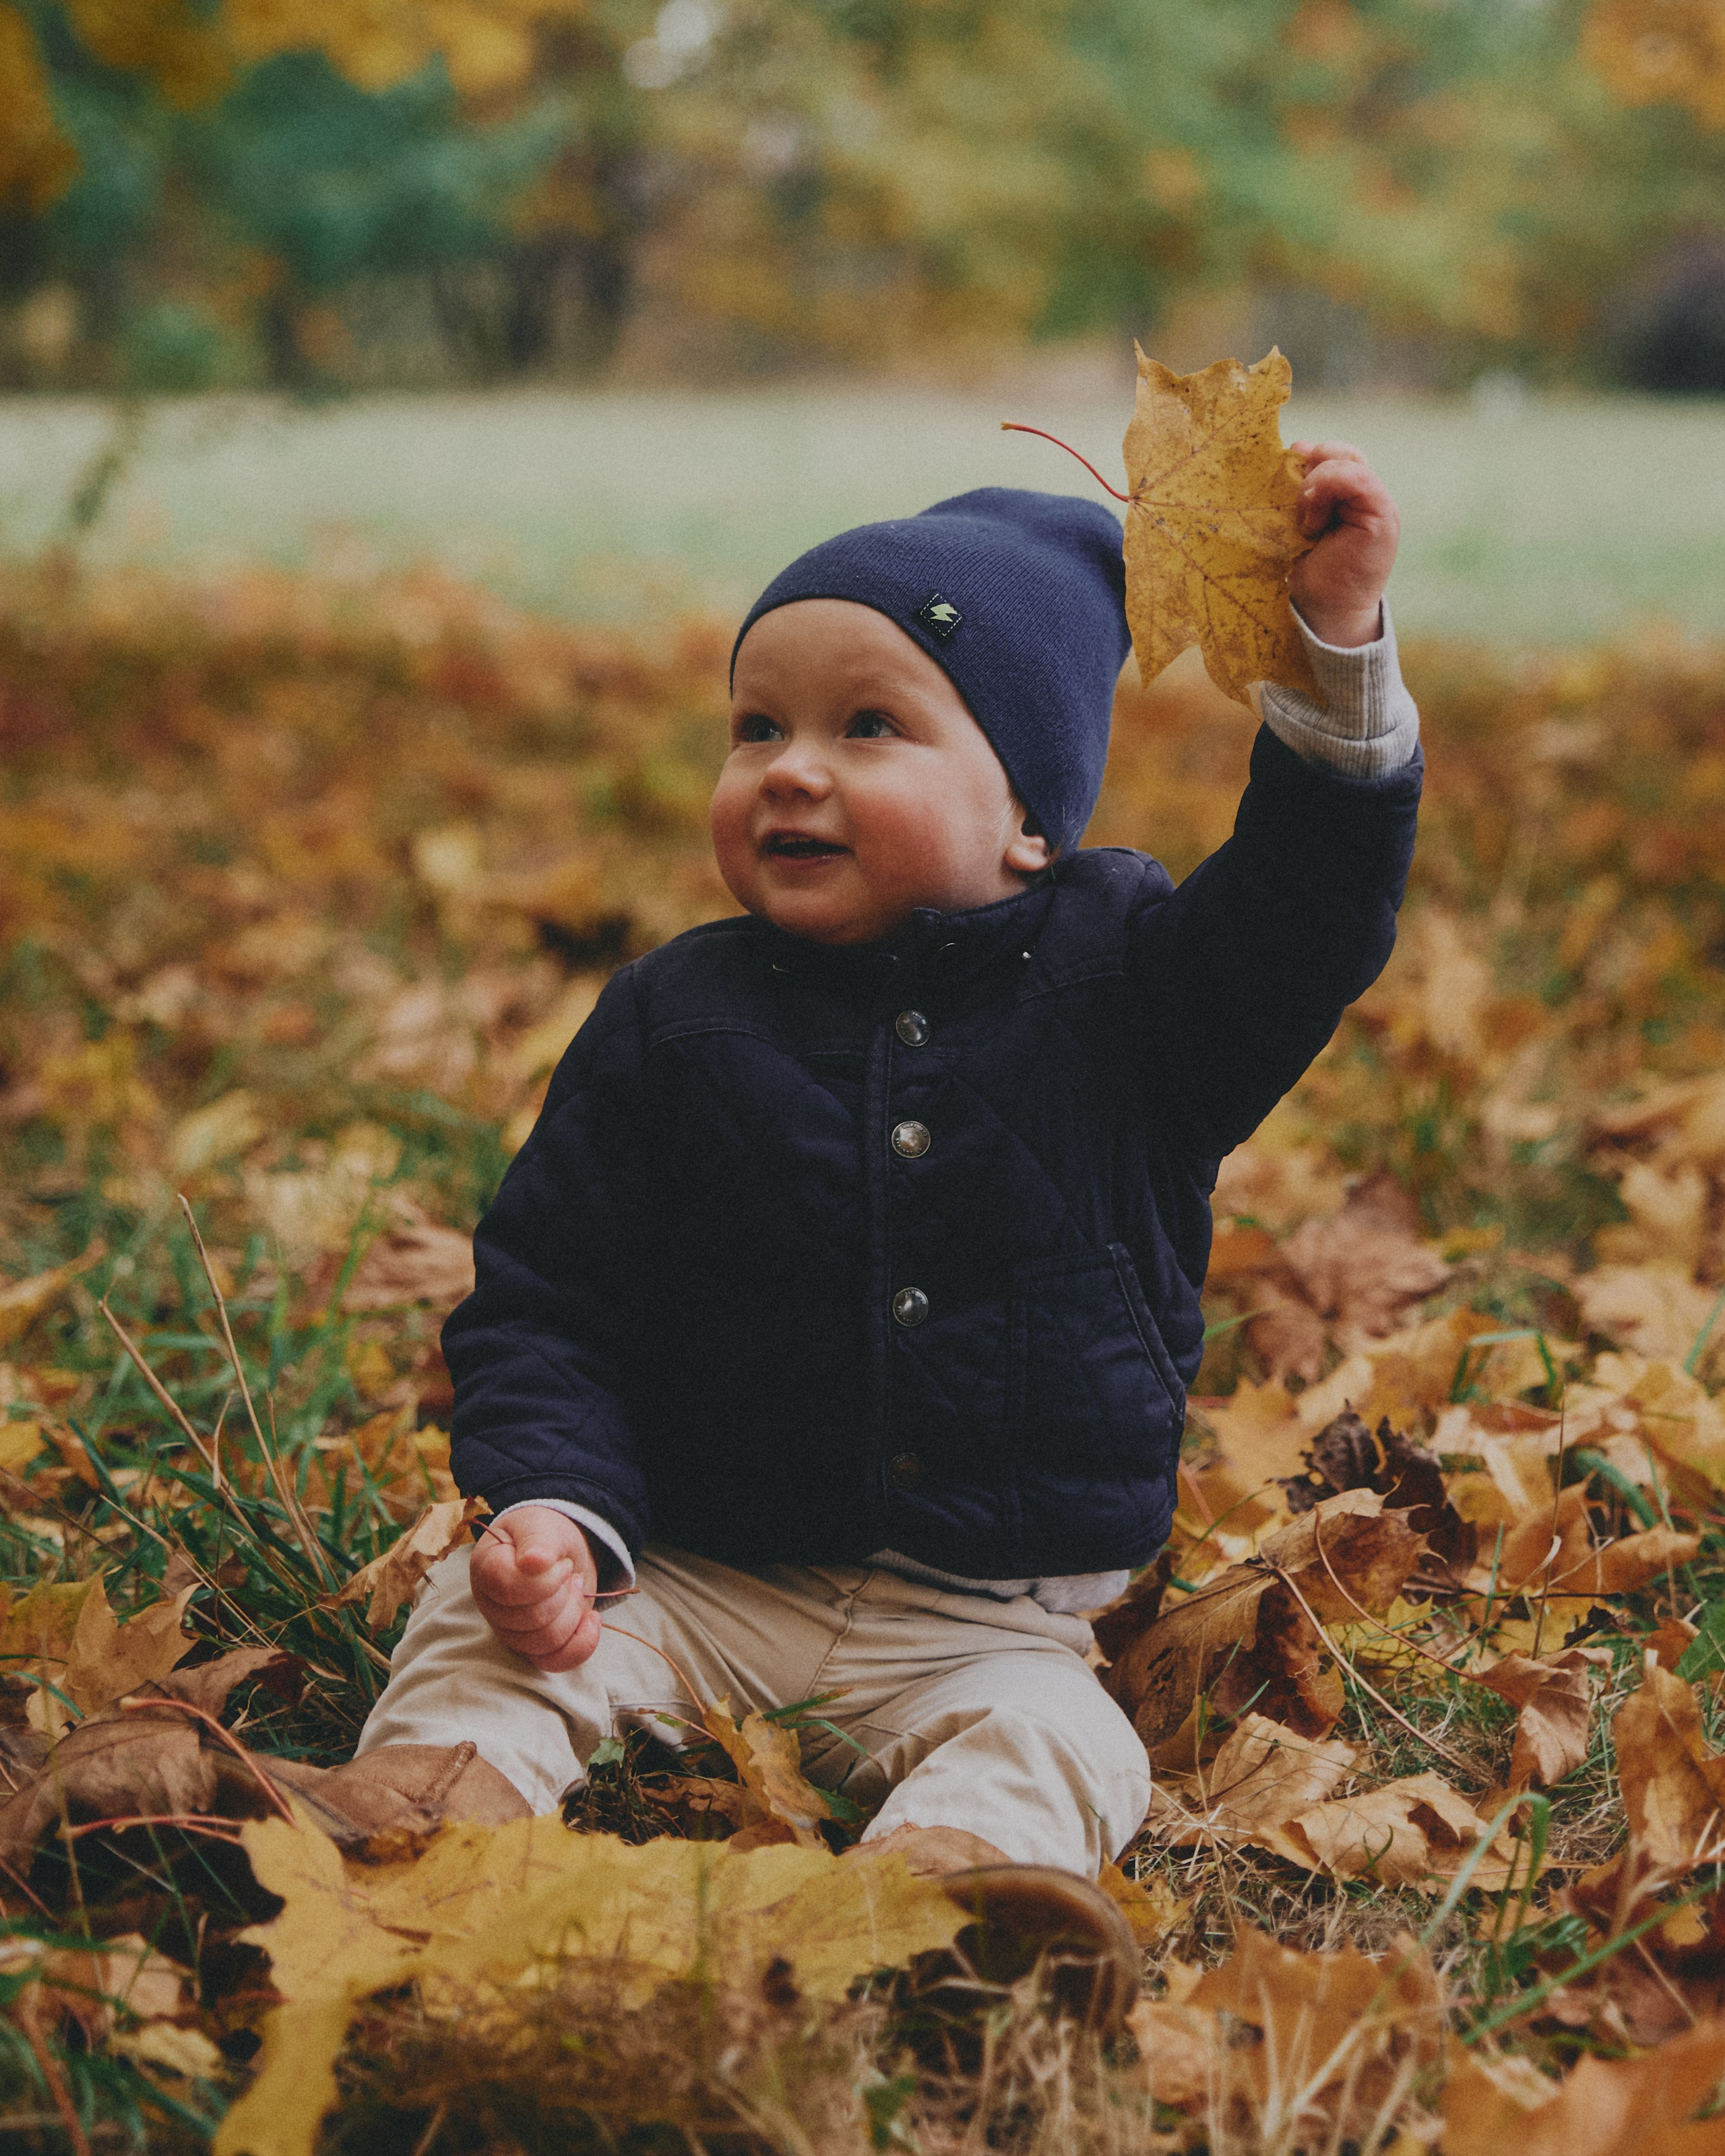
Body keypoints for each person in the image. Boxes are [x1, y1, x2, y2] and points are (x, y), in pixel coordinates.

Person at [346, 440, 1418, 2023]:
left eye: (869, 726)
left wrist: (1332, 655)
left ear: (1028, 817)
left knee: (1072, 1741)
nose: (790, 766)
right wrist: (561, 1516)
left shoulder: (1133, 991)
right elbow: (548, 1299)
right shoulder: (671, 1017)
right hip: (695, 1567)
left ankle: (941, 1911)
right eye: (756, 726)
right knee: (486, 1633)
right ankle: (412, 1826)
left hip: (982, 1615)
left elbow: (1304, 915)